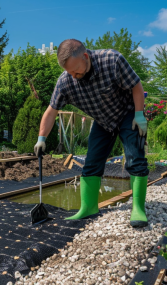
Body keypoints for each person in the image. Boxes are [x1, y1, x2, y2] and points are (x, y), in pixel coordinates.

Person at [34, 39, 148, 227]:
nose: (74, 76)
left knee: (135, 158)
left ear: (85, 57)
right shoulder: (65, 81)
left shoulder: (112, 60)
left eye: (76, 70)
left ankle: (138, 208)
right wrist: (41, 138)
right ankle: (88, 207)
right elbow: (51, 111)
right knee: (91, 162)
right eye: (69, 72)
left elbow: (136, 86)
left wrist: (139, 114)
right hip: (103, 121)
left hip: (128, 114)